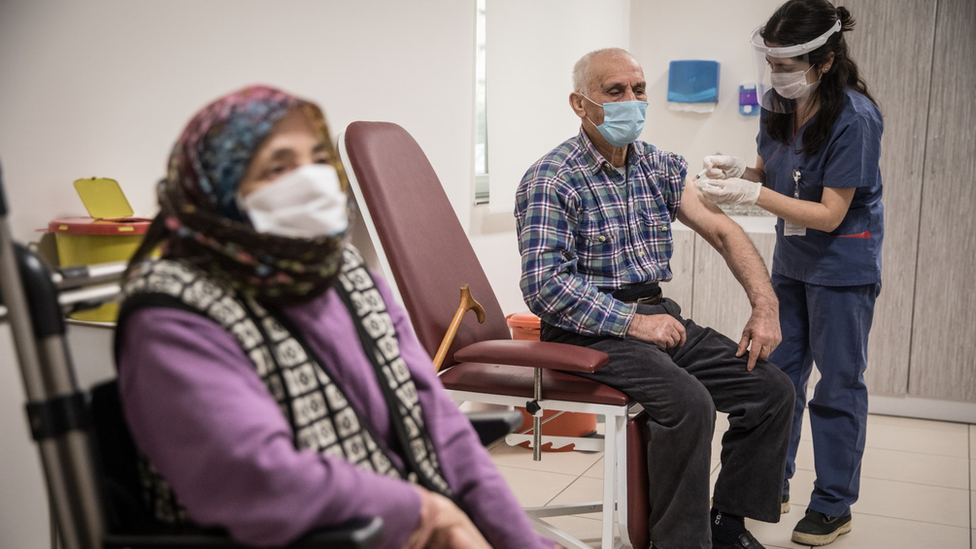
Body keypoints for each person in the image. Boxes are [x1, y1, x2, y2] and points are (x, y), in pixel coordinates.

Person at [115, 85, 557, 549]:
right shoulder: (175, 312)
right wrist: (425, 509)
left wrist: (517, 541)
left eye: (319, 159)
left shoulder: (345, 273)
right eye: (278, 167)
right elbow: (258, 481)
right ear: (218, 186)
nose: (310, 179)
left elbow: (437, 425)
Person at [516, 48, 795, 549]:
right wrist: (631, 322)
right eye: (615, 91)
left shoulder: (660, 168)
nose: (633, 101)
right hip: (586, 325)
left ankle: (727, 525)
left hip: (655, 315)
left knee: (770, 390)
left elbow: (725, 232)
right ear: (581, 104)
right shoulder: (552, 179)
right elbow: (544, 286)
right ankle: (678, 543)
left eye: (638, 90)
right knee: (689, 403)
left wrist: (764, 306)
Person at [696, 1, 883, 545]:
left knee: (838, 385)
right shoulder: (778, 104)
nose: (777, 75)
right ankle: (768, 482)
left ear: (824, 61)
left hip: (843, 265)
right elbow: (778, 172)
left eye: (788, 64)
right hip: (792, 264)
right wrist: (741, 171)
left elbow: (828, 213)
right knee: (777, 377)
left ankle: (832, 504)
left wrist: (753, 193)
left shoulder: (855, 117)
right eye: (772, 63)